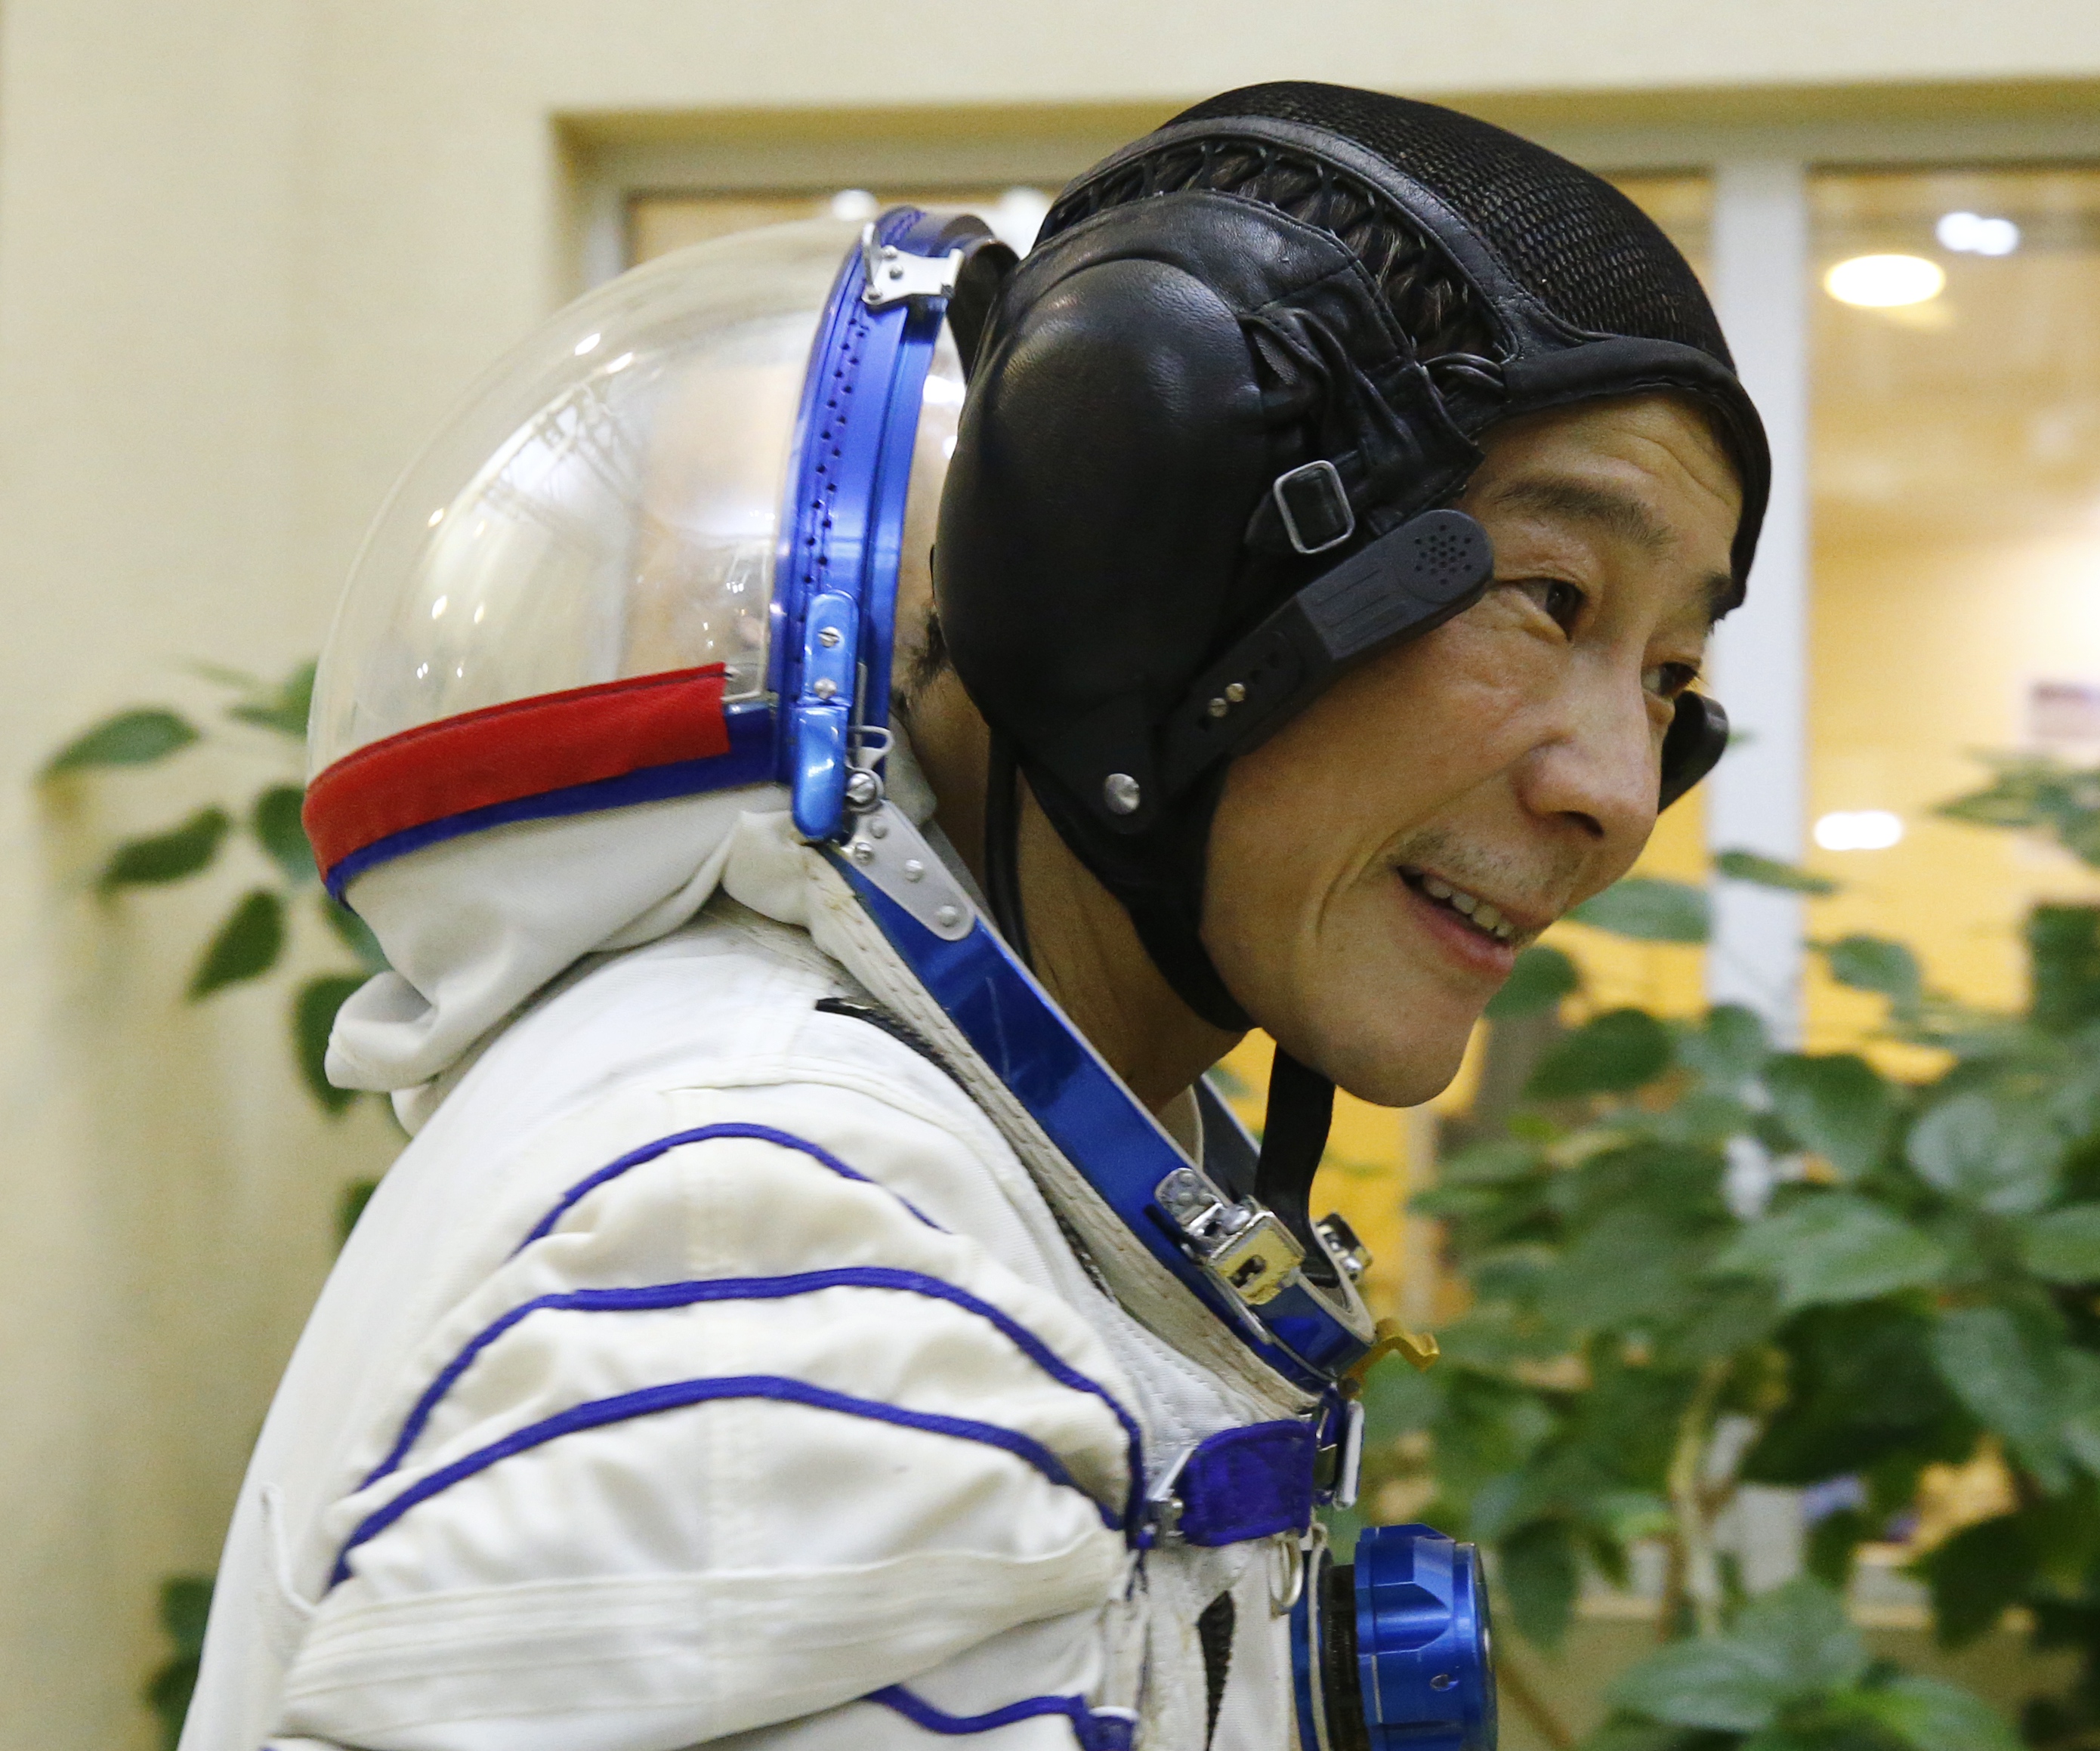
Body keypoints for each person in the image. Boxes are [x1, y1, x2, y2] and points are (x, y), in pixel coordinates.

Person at [180, 82, 1767, 1751]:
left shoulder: (936, 1154)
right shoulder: (792, 1239)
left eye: (1670, 679)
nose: (1615, 788)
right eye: (1548, 597)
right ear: (1144, 558)